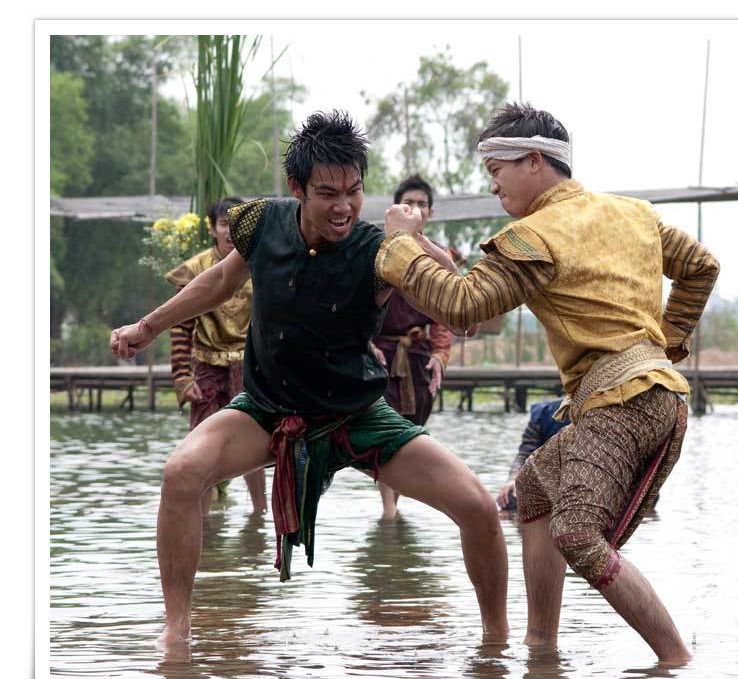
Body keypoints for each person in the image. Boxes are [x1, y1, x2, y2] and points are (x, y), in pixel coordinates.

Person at [110, 111, 508, 649]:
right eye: (327, 193)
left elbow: (464, 313)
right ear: (297, 188)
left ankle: (497, 643)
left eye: (354, 191)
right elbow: (219, 283)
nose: (343, 207)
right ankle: (176, 634)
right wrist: (148, 326)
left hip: (356, 413)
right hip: (271, 408)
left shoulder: (380, 249)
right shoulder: (261, 223)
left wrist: (415, 242)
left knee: (480, 509)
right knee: (182, 472)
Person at [376, 103, 719, 663]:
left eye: (498, 168)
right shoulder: (633, 214)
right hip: (650, 395)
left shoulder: (535, 235)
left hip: (624, 405)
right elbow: (702, 266)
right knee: (533, 492)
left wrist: (396, 247)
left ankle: (675, 664)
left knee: (579, 537)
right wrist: (666, 344)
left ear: (534, 161)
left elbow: (463, 308)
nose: (493, 183)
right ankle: (542, 650)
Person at [165, 196, 267, 516]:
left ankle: (259, 514)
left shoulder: (261, 264)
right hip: (207, 365)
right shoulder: (196, 268)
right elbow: (181, 326)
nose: (230, 232)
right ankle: (202, 517)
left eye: (237, 225)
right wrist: (182, 377)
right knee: (201, 446)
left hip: (249, 366)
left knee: (255, 442)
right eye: (224, 224)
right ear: (212, 228)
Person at [370, 175, 458, 519]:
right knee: (384, 426)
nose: (416, 210)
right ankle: (388, 508)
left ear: (431, 212)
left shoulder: (438, 256)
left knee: (411, 429)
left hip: (418, 355)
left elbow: (445, 313)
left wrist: (439, 355)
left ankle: (396, 504)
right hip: (381, 353)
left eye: (422, 204)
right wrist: (364, 344)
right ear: (396, 210)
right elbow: (361, 304)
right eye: (409, 204)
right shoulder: (379, 253)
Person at [496, 398, 569, 511]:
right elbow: (525, 454)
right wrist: (514, 479)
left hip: (591, 483)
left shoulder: (601, 412)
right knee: (511, 496)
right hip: (552, 481)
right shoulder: (545, 413)